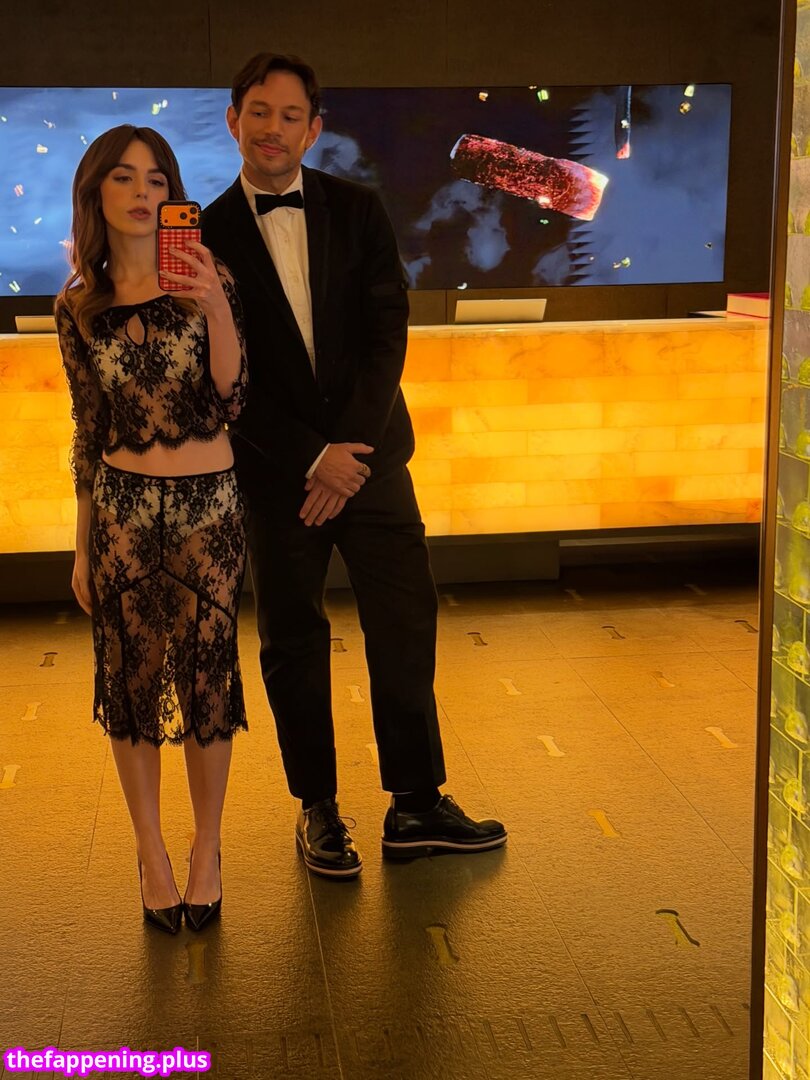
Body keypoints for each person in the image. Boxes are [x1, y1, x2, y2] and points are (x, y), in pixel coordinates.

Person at [201, 53, 506, 879]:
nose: (272, 128)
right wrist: (311, 458)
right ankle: (319, 811)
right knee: (292, 642)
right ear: (233, 121)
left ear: (314, 129)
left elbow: (386, 335)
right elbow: (221, 376)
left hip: (371, 465)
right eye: (258, 112)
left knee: (404, 624)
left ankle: (416, 804)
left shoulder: (360, 209)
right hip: (278, 477)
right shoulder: (205, 237)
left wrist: (348, 455)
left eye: (289, 115)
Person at [56, 125, 248, 933]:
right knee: (131, 688)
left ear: (173, 195)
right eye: (125, 177)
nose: (143, 192)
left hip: (210, 513)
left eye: (157, 179)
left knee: (207, 686)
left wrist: (214, 306)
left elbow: (234, 396)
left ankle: (207, 849)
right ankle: (152, 853)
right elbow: (87, 429)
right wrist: (81, 544)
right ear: (96, 192)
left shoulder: (207, 277)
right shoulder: (78, 306)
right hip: (122, 516)